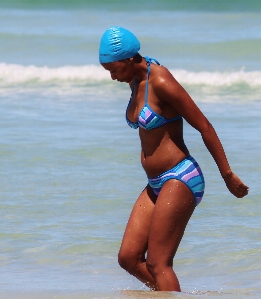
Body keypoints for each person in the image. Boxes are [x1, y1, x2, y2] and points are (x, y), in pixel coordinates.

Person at [99, 26, 249, 292]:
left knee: (159, 263)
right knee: (128, 258)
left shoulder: (161, 80)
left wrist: (227, 174)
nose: (112, 77)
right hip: (155, 182)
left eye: (114, 69)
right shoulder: (135, 81)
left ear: (130, 58)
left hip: (180, 177)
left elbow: (204, 126)